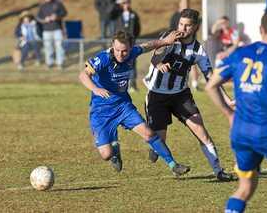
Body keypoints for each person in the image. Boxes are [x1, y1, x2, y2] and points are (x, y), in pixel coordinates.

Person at [205, 10, 267, 213]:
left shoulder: (239, 54)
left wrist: (229, 114)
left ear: (260, 29)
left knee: (245, 187)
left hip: (240, 131)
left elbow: (210, 86)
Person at [79, 30, 190, 176]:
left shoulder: (133, 52)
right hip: (101, 111)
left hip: (123, 106)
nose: (120, 54)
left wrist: (166, 41)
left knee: (149, 133)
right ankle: (115, 149)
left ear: (131, 48)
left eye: (124, 51)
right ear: (113, 45)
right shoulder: (104, 58)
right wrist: (96, 89)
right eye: (117, 50)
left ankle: (173, 164)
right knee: (106, 154)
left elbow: (149, 45)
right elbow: (83, 74)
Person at [143, 9, 234, 181]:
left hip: (180, 96)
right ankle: (155, 146)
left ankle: (219, 171)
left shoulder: (199, 50)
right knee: (159, 143)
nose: (182, 29)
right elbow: (155, 58)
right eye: (180, 24)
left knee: (202, 131)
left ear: (195, 27)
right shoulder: (170, 39)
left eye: (187, 26)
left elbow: (210, 77)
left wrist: (227, 100)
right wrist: (159, 63)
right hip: (157, 95)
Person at [169, 0, 200, 90]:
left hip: (190, 43)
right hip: (178, 43)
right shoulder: (175, 16)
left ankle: (195, 84)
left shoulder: (193, 16)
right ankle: (174, 83)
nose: (185, 5)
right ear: (179, 4)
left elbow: (196, 27)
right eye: (183, 3)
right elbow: (172, 29)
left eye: (186, 3)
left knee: (192, 63)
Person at [37, 0, 67, 70]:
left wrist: (57, 16)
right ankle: (49, 63)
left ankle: (59, 63)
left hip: (57, 29)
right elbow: (39, 18)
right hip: (46, 30)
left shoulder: (58, 4)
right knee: (48, 47)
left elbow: (64, 13)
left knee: (59, 46)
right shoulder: (42, 6)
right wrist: (45, 20)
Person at [116, 0, 141, 92]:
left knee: (132, 64)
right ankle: (120, 85)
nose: (126, 5)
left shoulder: (133, 15)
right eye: (124, 3)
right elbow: (109, 13)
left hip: (131, 43)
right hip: (120, 44)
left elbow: (138, 28)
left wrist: (133, 37)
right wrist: (118, 3)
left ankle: (133, 85)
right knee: (119, 64)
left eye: (127, 2)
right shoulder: (118, 14)